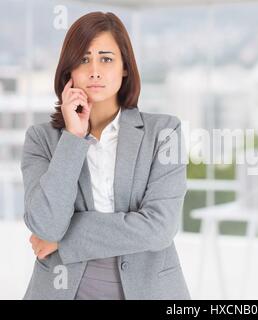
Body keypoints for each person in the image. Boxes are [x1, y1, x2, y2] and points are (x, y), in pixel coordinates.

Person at [20, 11, 190, 300]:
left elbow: (159, 228)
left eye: (106, 59)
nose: (94, 71)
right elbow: (46, 225)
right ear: (68, 72)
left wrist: (64, 240)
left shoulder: (164, 132)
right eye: (84, 59)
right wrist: (73, 138)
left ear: (125, 67)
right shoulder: (41, 139)